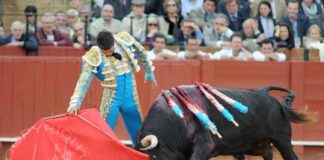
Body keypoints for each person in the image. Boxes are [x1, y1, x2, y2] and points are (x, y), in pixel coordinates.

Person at [67, 31, 156, 145]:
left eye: (110, 50)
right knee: (105, 135)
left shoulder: (124, 39)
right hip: (111, 99)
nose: (109, 53)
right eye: (105, 52)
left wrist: (148, 68)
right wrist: (74, 103)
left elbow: (140, 50)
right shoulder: (93, 55)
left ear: (114, 42)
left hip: (131, 97)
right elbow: (83, 81)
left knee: (139, 136)